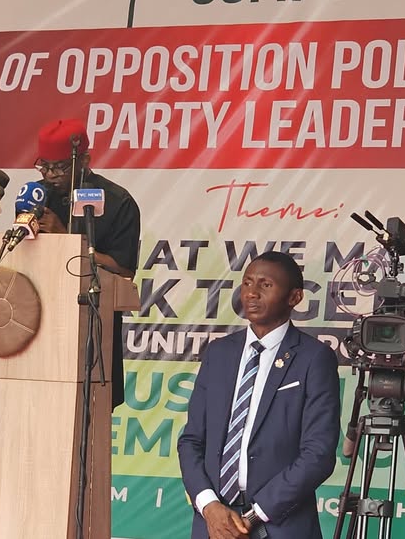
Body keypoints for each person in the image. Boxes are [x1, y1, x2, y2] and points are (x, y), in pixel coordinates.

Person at [177, 251, 340, 539]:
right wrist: (209, 507)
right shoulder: (219, 353)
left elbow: (319, 454)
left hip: (278, 525)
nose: (251, 293)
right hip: (214, 525)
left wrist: (253, 517)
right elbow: (191, 440)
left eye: (266, 285)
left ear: (295, 297)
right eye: (247, 283)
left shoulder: (315, 358)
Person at [35, 118, 141, 409]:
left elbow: (124, 270)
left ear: (84, 160)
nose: (50, 175)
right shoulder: (36, 196)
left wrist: (66, 238)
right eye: (44, 166)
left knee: (88, 415)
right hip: (38, 325)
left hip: (92, 331)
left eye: (59, 167)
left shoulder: (118, 202)